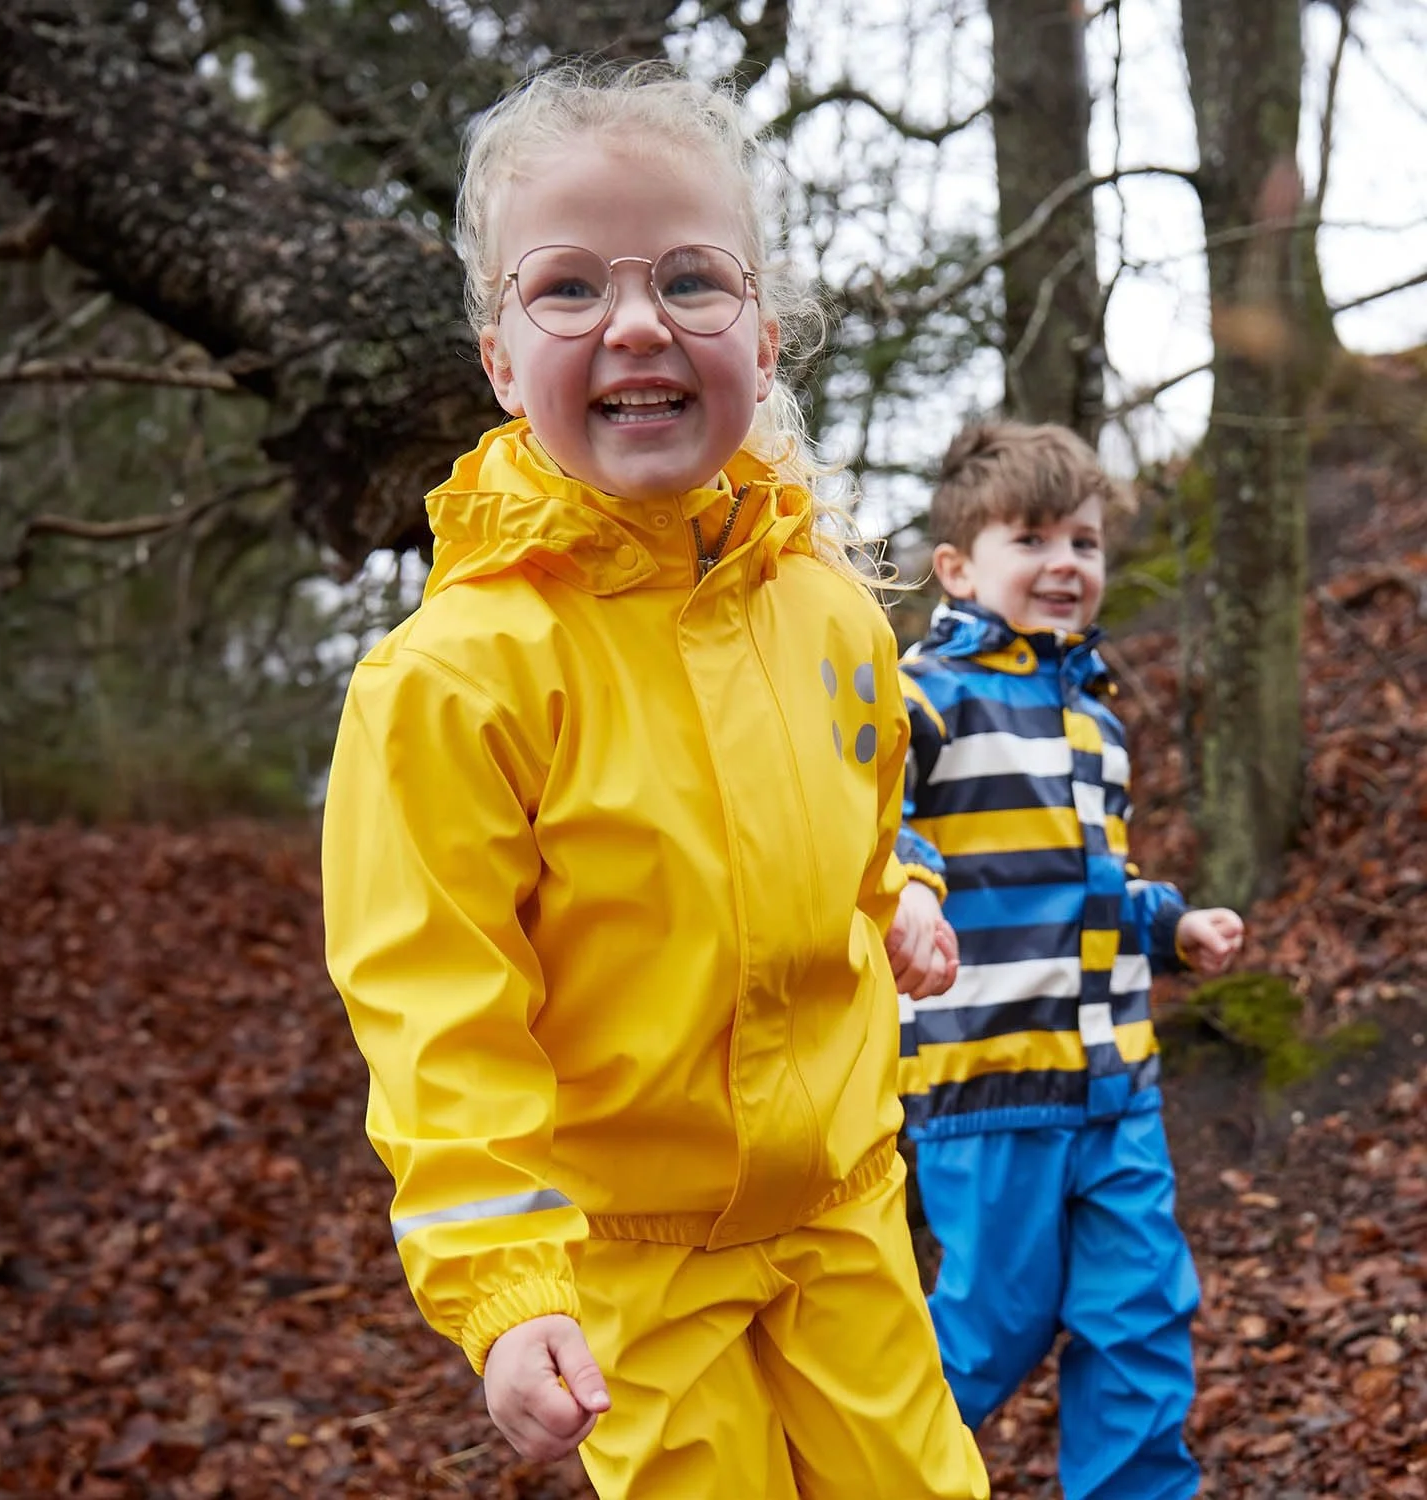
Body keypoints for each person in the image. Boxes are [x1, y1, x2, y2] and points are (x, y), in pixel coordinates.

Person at [320, 60, 987, 1500]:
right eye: (568, 289)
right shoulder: (457, 676)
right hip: (633, 1261)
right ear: (500, 357)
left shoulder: (831, 610)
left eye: (693, 278)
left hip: (848, 1220)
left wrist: (906, 897)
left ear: (763, 328)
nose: (637, 322)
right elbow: (439, 1011)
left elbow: (861, 829)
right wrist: (507, 1283)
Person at [893, 420, 1245, 1500]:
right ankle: (861, 1472)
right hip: (988, 1082)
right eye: (1033, 537)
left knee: (1140, 1316)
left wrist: (1168, 925)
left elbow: (1087, 886)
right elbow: (866, 812)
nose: (1065, 564)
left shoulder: (1095, 718)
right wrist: (907, 883)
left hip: (1115, 1086)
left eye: (1085, 543)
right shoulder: (925, 689)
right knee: (993, 1325)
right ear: (958, 566)